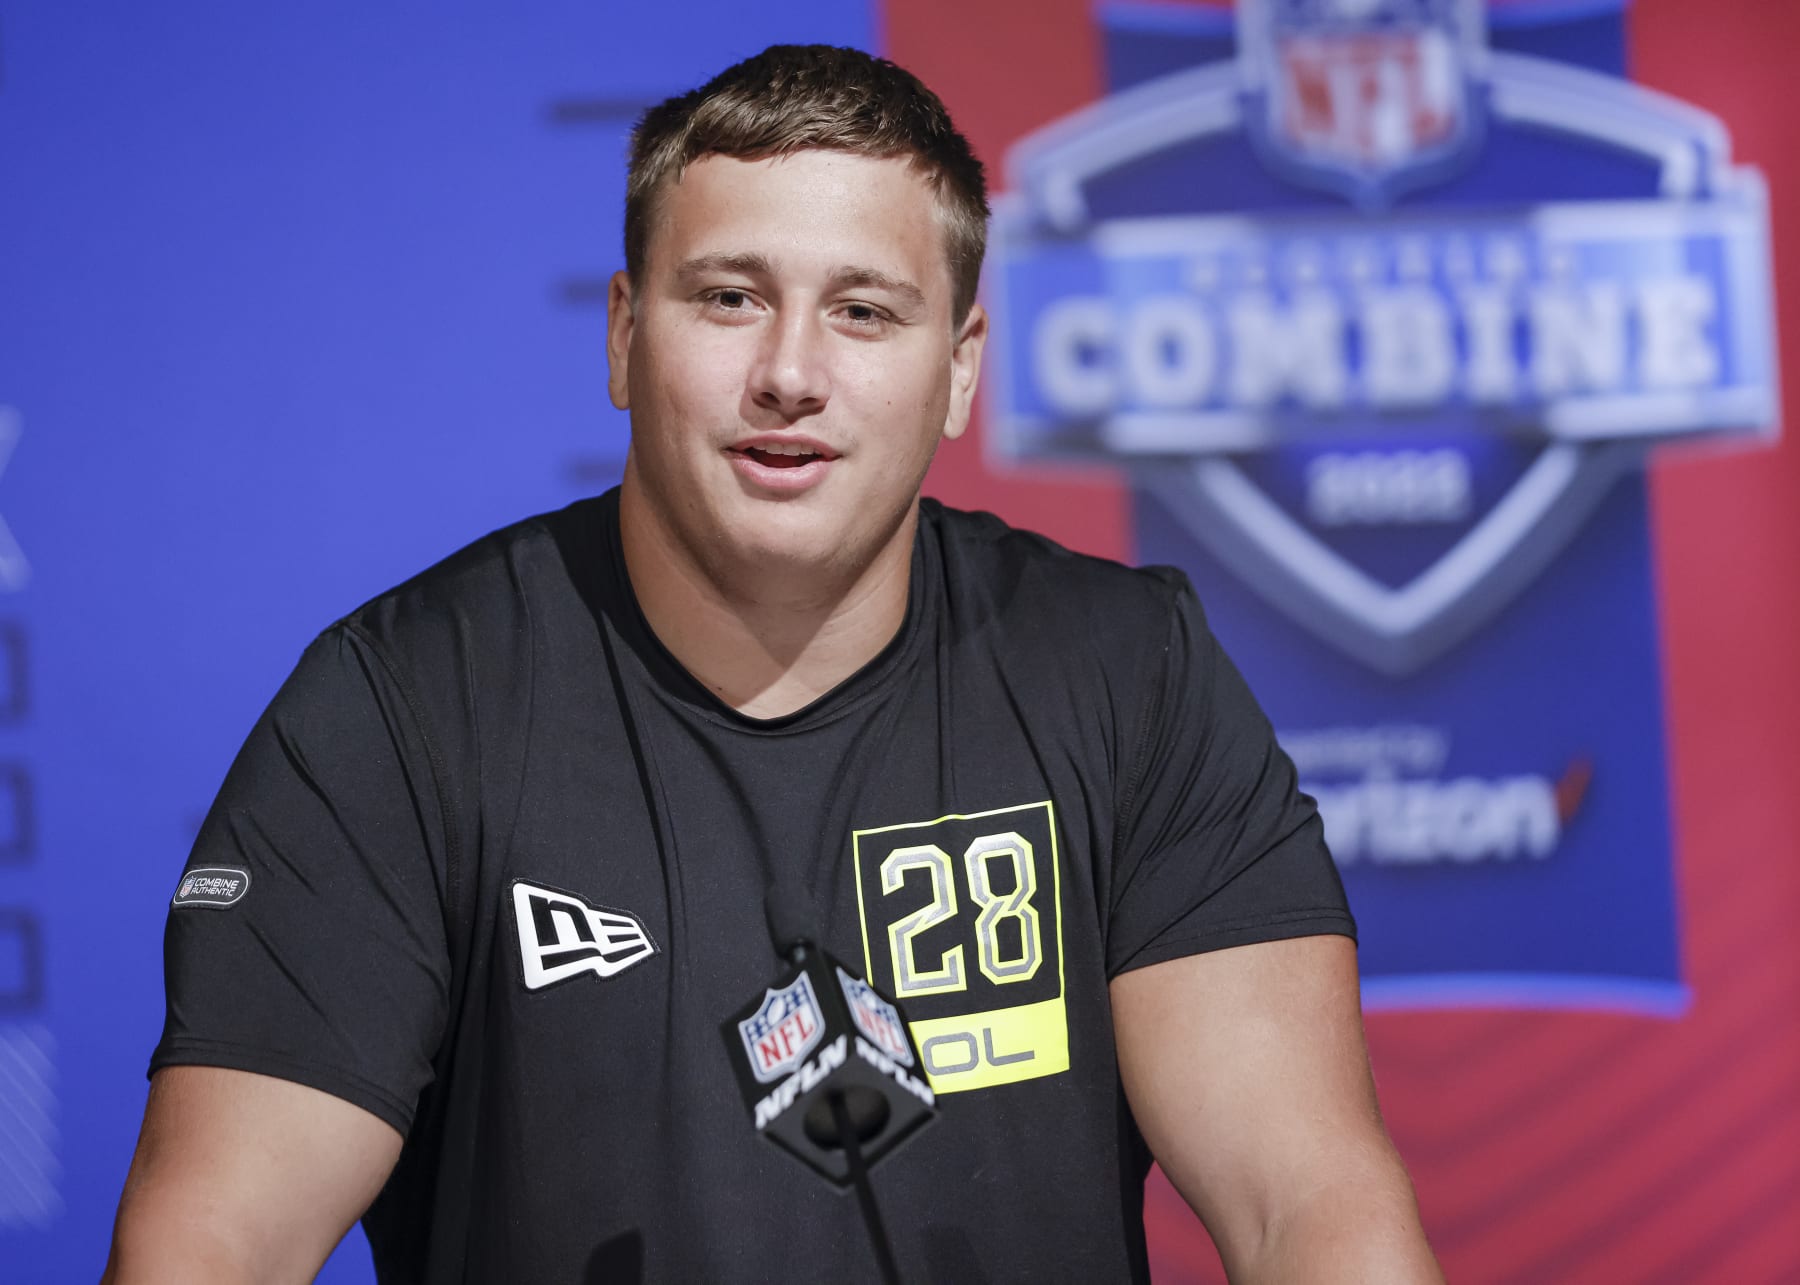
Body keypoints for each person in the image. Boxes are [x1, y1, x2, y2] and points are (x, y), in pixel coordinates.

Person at [104, 43, 1440, 1284]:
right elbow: (217, 1239)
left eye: (864, 311)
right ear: (624, 333)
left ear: (961, 369)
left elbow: (1305, 1199)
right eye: (730, 297)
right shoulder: (399, 710)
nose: (790, 373)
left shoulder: (1127, 675)